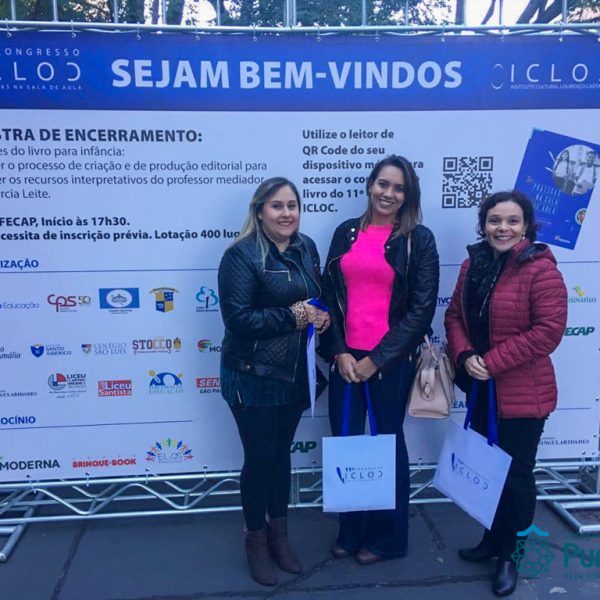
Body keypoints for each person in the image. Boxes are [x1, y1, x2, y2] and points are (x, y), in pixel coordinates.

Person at [444, 190, 567, 597]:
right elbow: (454, 316)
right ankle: (491, 541)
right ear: (484, 225)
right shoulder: (472, 264)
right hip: (481, 390)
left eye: (512, 221)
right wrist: (465, 356)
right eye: (495, 220)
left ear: (526, 226)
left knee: (516, 479)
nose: (503, 228)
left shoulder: (541, 269)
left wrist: (491, 362)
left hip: (522, 395)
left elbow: (547, 332)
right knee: (488, 472)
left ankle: (510, 557)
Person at [320, 155, 439, 565]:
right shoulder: (345, 232)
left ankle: (389, 537)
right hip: (344, 360)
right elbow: (329, 297)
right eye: (383, 184)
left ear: (409, 195)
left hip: (391, 361)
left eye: (399, 188)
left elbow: (421, 311)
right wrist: (339, 350)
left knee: (386, 443)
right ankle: (352, 530)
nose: (389, 193)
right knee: (347, 445)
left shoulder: (419, 239)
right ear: (370, 185)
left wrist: (378, 359)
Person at [218, 177, 329, 586]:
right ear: (260, 211)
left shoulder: (306, 247)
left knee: (282, 458)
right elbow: (239, 319)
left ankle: (279, 536)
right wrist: (296, 317)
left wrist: (321, 316)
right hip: (253, 377)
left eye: (292, 205)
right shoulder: (241, 255)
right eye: (277, 206)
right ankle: (256, 540)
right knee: (260, 459)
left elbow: (314, 297)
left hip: (295, 375)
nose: (286, 213)